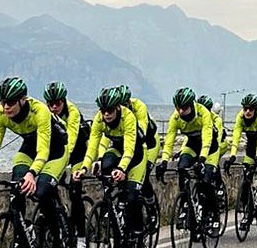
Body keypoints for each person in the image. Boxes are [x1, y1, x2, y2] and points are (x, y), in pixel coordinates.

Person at [0, 76, 69, 248]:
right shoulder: (0, 114)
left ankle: (58, 239)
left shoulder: (40, 111)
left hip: (56, 151)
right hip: (29, 148)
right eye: (2, 102)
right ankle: (22, 233)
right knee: (16, 189)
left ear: (23, 100)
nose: (6, 106)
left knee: (42, 191)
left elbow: (43, 150)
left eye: (10, 102)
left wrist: (31, 174)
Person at [77, 86, 147, 237]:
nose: (106, 114)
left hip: (136, 156)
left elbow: (129, 150)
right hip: (116, 150)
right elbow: (92, 147)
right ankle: (114, 208)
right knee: (106, 164)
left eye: (109, 110)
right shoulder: (99, 118)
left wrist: (122, 169)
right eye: (103, 110)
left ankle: (139, 233)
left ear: (117, 107)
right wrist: (84, 168)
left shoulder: (128, 117)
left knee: (132, 196)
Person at [155, 86, 220, 230]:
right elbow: (169, 141)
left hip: (210, 149)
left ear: (191, 105)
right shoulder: (176, 117)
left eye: (184, 108)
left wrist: (202, 160)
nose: (181, 111)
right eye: (178, 108)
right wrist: (164, 161)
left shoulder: (203, 113)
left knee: (206, 180)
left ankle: (213, 214)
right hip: (192, 146)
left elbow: (207, 139)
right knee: (181, 167)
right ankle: (185, 203)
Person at [43, 81, 90, 248]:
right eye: (50, 104)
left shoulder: (73, 112)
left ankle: (81, 239)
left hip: (77, 152)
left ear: (64, 101)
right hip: (56, 152)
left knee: (74, 191)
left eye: (58, 103)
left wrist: (62, 166)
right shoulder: (46, 114)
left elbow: (69, 143)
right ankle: (60, 219)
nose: (54, 107)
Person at [120, 84, 160, 229]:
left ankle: (151, 206)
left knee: (145, 173)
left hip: (148, 144)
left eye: (125, 104)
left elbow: (141, 131)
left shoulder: (139, 106)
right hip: (130, 145)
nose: (122, 107)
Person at [222, 93, 257, 211]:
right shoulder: (240, 117)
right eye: (245, 109)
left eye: (251, 109)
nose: (247, 112)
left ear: (256, 109)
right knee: (247, 173)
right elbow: (236, 137)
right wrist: (233, 156)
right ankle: (246, 204)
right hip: (250, 146)